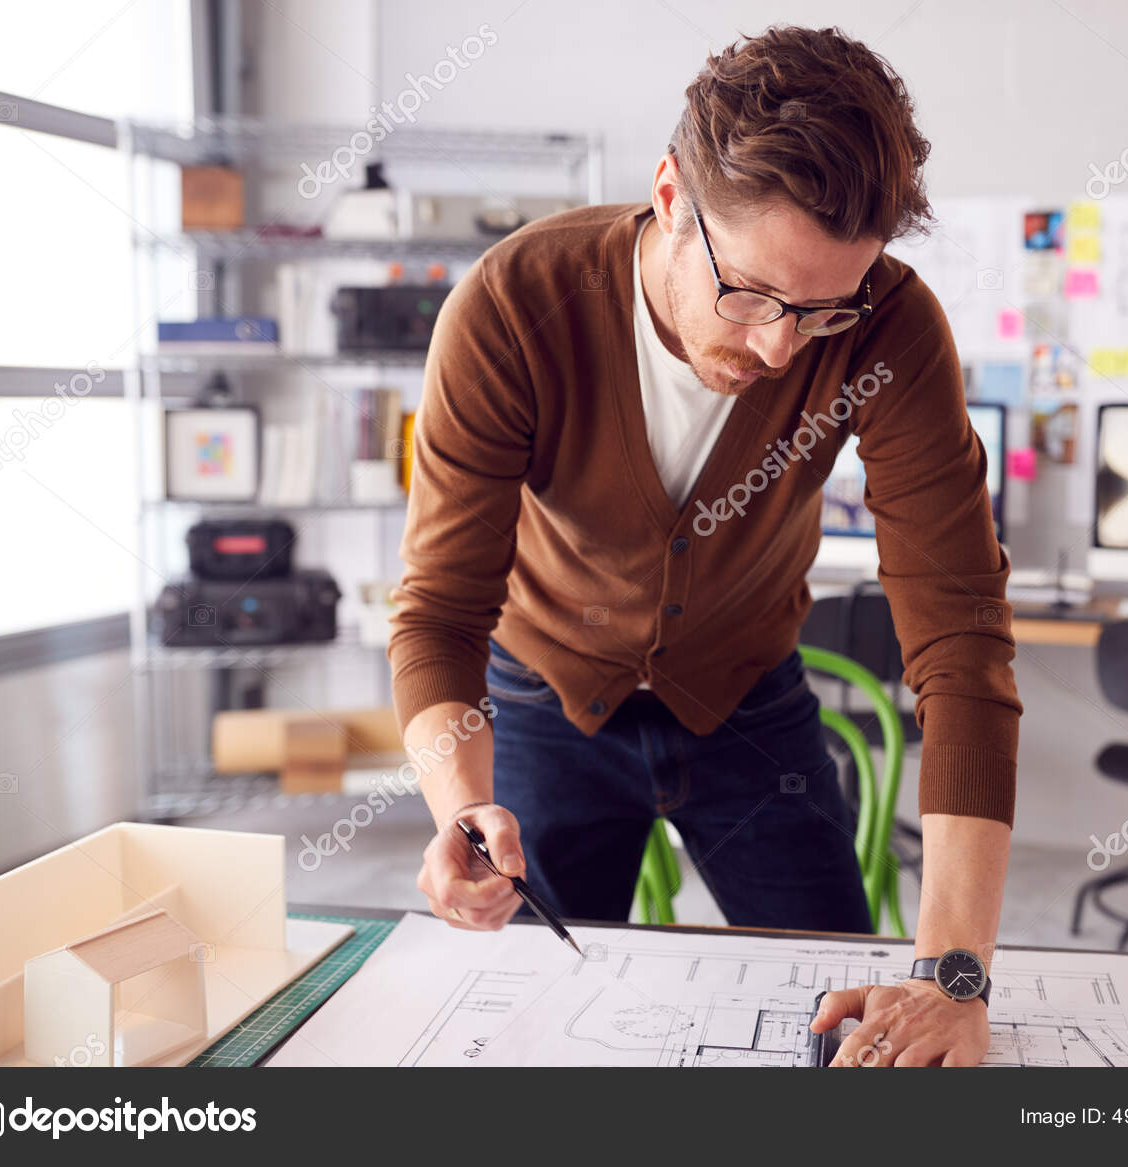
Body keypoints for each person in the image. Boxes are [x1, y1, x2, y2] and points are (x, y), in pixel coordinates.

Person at [391, 25, 1021, 1067]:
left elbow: (960, 641)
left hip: (748, 705)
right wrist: (461, 807)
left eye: (821, 311)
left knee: (836, 1000)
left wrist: (954, 974)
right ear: (672, 196)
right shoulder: (513, 309)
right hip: (546, 701)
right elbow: (438, 612)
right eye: (754, 296)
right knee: (530, 1024)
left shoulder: (891, 330)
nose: (781, 348)